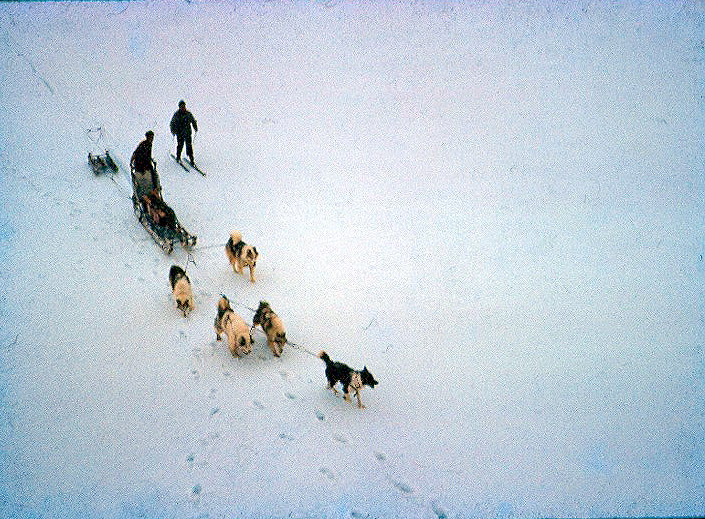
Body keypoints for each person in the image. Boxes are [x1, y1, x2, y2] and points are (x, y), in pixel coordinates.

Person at [131, 130, 162, 202]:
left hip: (146, 164)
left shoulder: (149, 144)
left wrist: (151, 160)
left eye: (152, 137)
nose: (152, 139)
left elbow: (147, 155)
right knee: (143, 181)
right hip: (141, 165)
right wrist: (132, 162)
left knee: (155, 176)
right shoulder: (143, 144)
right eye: (150, 137)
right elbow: (136, 153)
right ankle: (140, 196)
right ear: (147, 137)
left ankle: (156, 190)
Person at [170, 100, 198, 165]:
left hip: (187, 133)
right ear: (179, 107)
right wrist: (173, 131)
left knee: (189, 146)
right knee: (180, 146)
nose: (183, 108)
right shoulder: (176, 114)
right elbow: (172, 123)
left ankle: (191, 159)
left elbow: (193, 121)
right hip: (179, 134)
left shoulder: (188, 114)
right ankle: (178, 157)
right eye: (181, 106)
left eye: (184, 106)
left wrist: (195, 127)